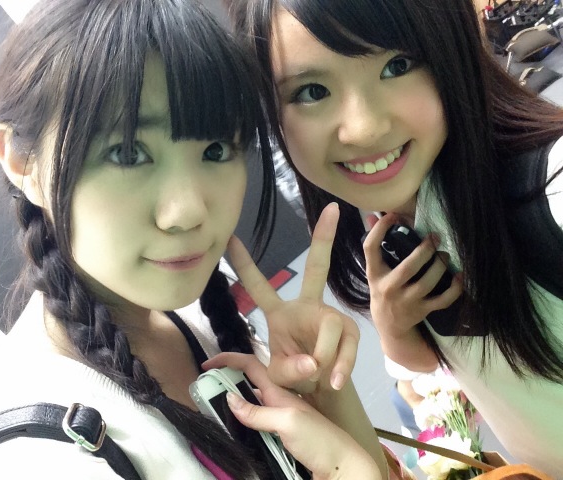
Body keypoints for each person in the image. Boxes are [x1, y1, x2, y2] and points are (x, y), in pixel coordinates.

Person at [0, 0, 386, 478]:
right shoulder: (36, 461)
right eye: (127, 153)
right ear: (23, 163)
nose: (188, 210)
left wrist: (322, 389)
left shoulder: (186, 322)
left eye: (216, 150)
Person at [226, 0, 563, 475]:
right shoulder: (395, 227)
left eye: (397, 66)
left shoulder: (551, 193)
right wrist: (396, 332)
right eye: (312, 91)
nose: (364, 129)